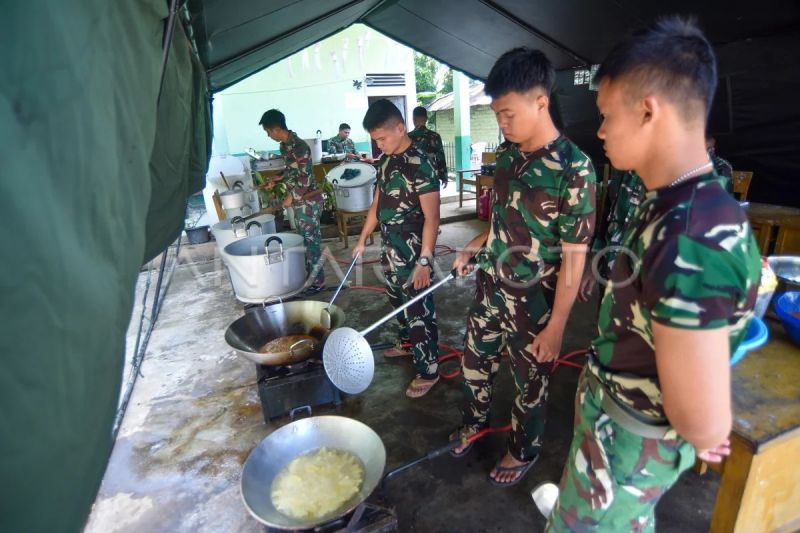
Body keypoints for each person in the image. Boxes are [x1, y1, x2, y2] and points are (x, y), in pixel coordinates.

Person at [544, 17, 761, 531]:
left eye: (604, 116)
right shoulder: (673, 203)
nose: (598, 132)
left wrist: (707, 427)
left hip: (629, 449)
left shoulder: (694, 236)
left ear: (647, 110)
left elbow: (703, 420)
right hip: (614, 432)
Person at [450, 47, 596, 486]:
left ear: (540, 102)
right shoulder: (509, 158)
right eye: (497, 114)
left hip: (535, 304)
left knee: (529, 383)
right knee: (475, 363)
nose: (502, 123)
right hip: (490, 288)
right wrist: (474, 245)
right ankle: (474, 421)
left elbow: (575, 258)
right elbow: (501, 222)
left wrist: (557, 328)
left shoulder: (574, 169)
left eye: (508, 113)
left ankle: (523, 448)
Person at [352, 99, 442, 398]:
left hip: (414, 248)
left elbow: (432, 217)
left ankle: (429, 370)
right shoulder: (386, 161)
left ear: (401, 128)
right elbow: (377, 203)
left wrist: (425, 261)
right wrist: (363, 238)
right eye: (375, 140)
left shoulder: (421, 164)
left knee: (418, 308)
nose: (379, 146)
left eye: (382, 138)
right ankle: (406, 345)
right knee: (396, 299)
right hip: (391, 245)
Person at [258, 109, 325, 293]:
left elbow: (305, 178)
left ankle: (318, 282)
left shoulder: (300, 147)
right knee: (304, 241)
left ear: (276, 128)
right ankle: (310, 277)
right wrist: (277, 178)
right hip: (299, 202)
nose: (268, 135)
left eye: (268, 131)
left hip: (308, 201)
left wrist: (291, 196)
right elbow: (292, 170)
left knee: (311, 243)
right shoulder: (285, 146)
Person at [578, 168, 645, 304]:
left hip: (639, 296)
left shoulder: (669, 178)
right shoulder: (622, 170)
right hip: (609, 282)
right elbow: (610, 218)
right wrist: (595, 265)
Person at [408, 106, 448, 187]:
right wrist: (444, 177)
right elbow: (440, 158)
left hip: (412, 177)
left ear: (413, 119)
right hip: (431, 177)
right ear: (426, 119)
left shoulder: (408, 137)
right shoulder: (435, 136)